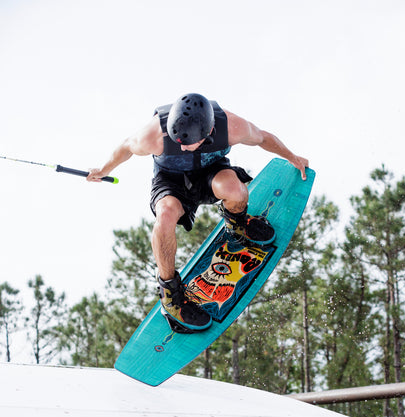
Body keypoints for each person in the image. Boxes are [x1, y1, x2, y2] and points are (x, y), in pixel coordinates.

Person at [88, 93, 309, 332]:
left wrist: (292, 157)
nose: (181, 146)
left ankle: (237, 223)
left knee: (237, 191)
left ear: (209, 131)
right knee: (164, 216)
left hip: (211, 173)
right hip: (171, 182)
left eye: (187, 143)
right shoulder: (153, 135)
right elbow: (125, 147)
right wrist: (103, 169)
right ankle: (170, 295)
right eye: (177, 141)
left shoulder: (231, 126)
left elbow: (263, 138)